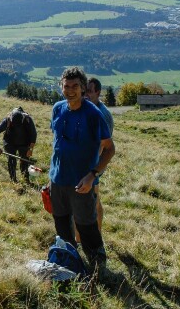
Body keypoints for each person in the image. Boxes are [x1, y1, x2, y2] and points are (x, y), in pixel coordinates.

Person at [48, 67, 115, 272]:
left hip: (81, 183)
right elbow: (57, 144)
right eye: (66, 86)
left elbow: (109, 149)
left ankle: (99, 269)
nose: (70, 90)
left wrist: (92, 175)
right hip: (57, 180)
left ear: (83, 88)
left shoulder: (93, 114)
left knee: (86, 226)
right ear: (61, 87)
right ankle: (71, 260)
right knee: (61, 225)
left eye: (75, 86)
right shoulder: (58, 109)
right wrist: (51, 175)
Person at [74, 77, 114, 242]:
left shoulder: (103, 115)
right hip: (79, 163)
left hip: (94, 166)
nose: (86, 95)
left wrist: (92, 172)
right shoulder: (84, 108)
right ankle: (78, 239)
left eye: (89, 91)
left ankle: (95, 238)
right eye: (84, 92)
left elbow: (105, 147)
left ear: (98, 92)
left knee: (93, 201)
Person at [0, 107, 37, 183]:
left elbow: (33, 135)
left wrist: (30, 149)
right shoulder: (8, 120)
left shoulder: (28, 120)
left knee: (24, 160)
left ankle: (26, 179)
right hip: (10, 142)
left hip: (24, 142)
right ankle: (13, 180)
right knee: (11, 160)